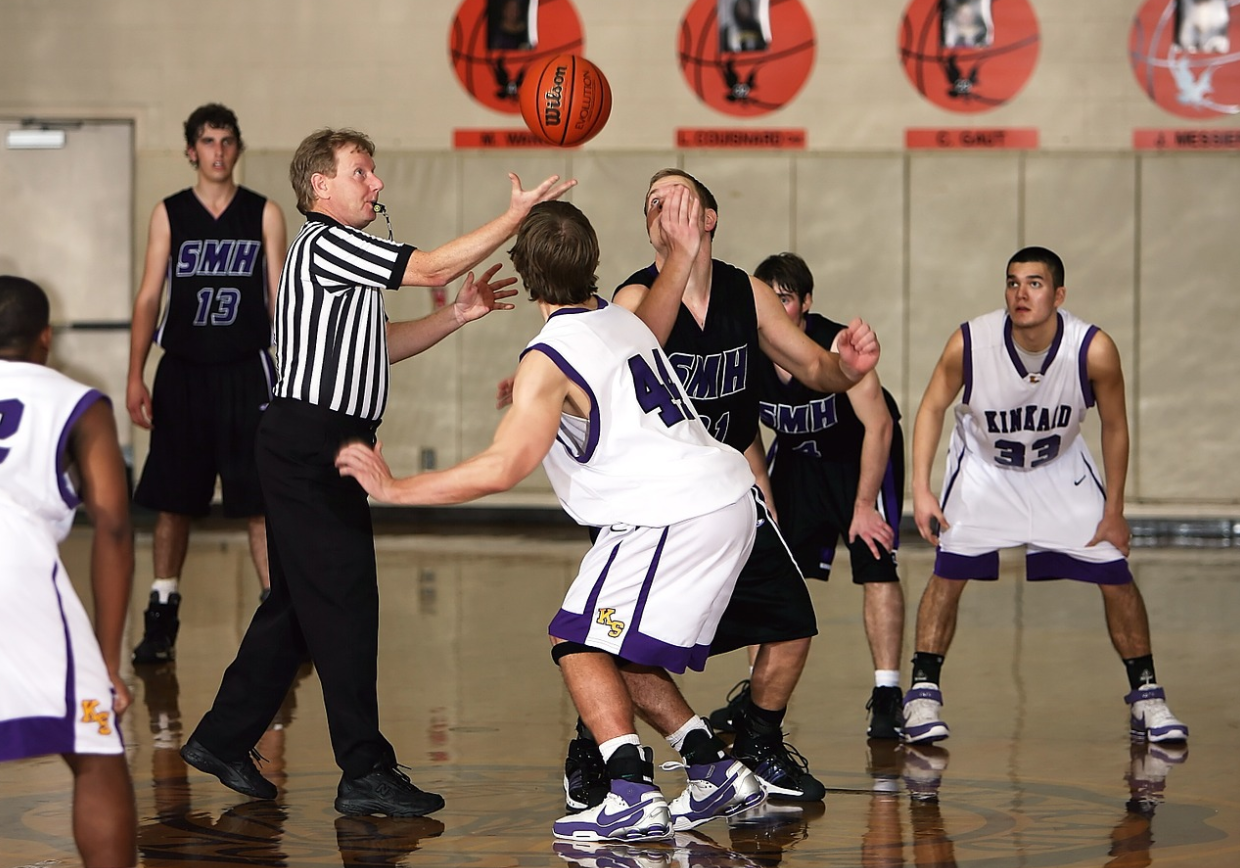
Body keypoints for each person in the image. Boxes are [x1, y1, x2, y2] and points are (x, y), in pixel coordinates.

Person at [337, 200, 767, 841]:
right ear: (593, 262)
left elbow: (501, 468)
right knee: (613, 646)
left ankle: (630, 794)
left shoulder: (549, 357)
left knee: (576, 641)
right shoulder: (623, 320)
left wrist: (398, 489)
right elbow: (613, 383)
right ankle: (712, 772)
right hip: (727, 498)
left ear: (524, 275)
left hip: (673, 514)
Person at [178, 127, 574, 817]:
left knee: (301, 606)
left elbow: (380, 344)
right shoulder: (326, 241)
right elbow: (428, 266)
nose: (376, 184)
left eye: (374, 172)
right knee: (347, 604)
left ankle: (220, 737)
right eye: (362, 172)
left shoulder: (343, 261)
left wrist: (456, 317)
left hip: (324, 441)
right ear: (320, 188)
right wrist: (512, 218)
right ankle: (364, 767)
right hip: (308, 442)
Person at [597, 169, 880, 805]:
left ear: (710, 218)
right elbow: (643, 348)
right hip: (652, 504)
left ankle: (759, 739)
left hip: (727, 496)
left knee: (793, 623)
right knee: (621, 642)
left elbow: (811, 363)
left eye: (679, 202)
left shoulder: (744, 292)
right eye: (652, 205)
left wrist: (847, 368)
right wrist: (678, 259)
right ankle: (594, 746)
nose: (663, 212)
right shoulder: (632, 297)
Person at [903, 246, 1188, 745]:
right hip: (985, 470)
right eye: (1013, 282)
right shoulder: (970, 342)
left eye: (1034, 283)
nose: (1021, 293)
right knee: (949, 570)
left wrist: (1115, 509)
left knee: (1113, 569)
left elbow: (1116, 428)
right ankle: (922, 694)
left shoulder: (1092, 348)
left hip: (1060, 470)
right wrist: (921, 489)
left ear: (1058, 294)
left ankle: (1147, 697)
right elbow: (930, 409)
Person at [127, 103, 288, 665]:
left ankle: (277, 623)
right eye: (207, 141)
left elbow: (280, 300)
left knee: (260, 504)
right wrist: (135, 374)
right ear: (191, 151)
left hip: (248, 370)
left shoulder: (264, 213)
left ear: (237, 148)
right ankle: (161, 617)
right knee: (172, 502)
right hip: (184, 372)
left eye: (226, 141)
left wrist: (290, 372)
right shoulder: (169, 213)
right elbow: (150, 296)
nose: (217, 150)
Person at [0, 276, 137, 867]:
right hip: (18, 569)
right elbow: (111, 524)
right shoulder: (75, 401)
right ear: (45, 338)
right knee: (94, 743)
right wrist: (108, 662)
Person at [750, 252, 907, 739]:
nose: (776, 309)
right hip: (796, 459)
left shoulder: (837, 344)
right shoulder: (747, 349)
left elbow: (879, 426)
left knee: (874, 556)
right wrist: (763, 494)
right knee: (768, 570)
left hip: (857, 454)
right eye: (767, 299)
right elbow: (743, 430)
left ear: (807, 304)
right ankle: (755, 696)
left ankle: (887, 692)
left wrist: (863, 506)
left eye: (786, 299)